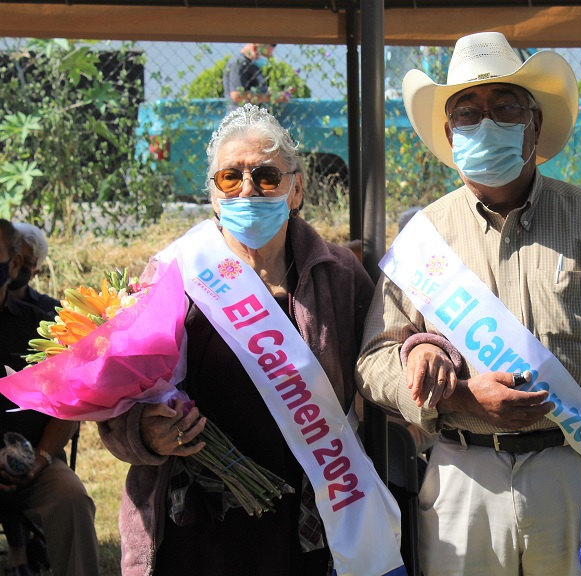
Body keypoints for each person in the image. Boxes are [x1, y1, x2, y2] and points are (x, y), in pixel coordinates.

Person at [356, 32, 581, 576]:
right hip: (460, 475)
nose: (485, 122)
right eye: (467, 112)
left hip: (573, 473)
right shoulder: (425, 238)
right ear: (450, 133)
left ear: (534, 125)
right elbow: (374, 361)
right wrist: (458, 395)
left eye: (505, 107)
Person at [98, 104, 387, 576]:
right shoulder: (175, 272)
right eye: (231, 178)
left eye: (267, 175)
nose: (249, 188)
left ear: (297, 190)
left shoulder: (339, 275)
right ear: (213, 195)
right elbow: (118, 400)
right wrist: (147, 433)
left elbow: (380, 364)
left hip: (309, 512)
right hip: (196, 518)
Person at [0, 219, 99, 576]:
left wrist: (41, 459)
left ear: (14, 265)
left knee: (72, 499)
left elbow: (69, 404)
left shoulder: (42, 328)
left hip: (35, 466)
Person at [8, 222, 60, 314]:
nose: (16, 266)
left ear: (36, 272)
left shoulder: (49, 309)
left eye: (26, 262)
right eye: (13, 258)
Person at [222, 43, 286, 110]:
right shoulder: (239, 64)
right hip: (242, 117)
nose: (266, 60)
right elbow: (237, 96)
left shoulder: (252, 64)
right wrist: (268, 97)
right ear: (255, 49)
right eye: (265, 56)